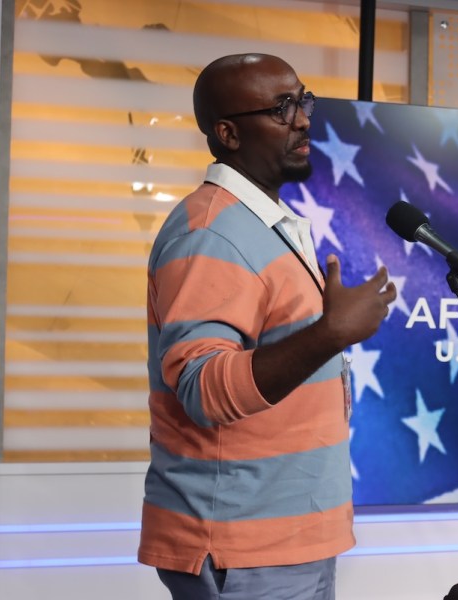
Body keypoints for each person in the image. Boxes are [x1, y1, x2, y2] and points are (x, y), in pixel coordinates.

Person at [138, 53, 397, 600]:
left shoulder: (258, 223)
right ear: (228, 133)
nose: (303, 118)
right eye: (282, 108)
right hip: (240, 546)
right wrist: (329, 334)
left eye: (302, 99)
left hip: (283, 540)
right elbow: (203, 389)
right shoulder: (211, 233)